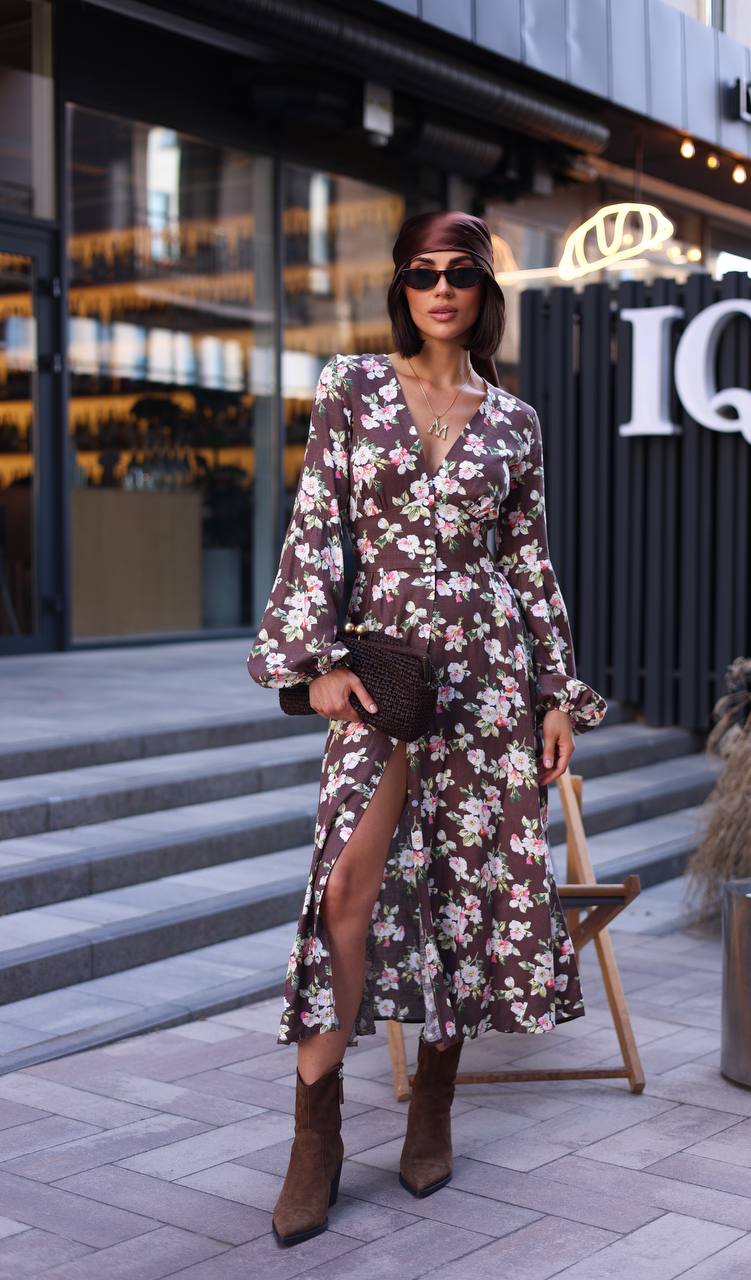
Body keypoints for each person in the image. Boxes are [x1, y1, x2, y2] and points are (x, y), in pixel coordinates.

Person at [247, 210, 608, 1246]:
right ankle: (316, 1130)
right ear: (399, 286)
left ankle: (433, 1099)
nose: (440, 288)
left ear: (485, 291)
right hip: (384, 676)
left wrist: (553, 691)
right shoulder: (352, 389)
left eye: (459, 273)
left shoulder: (515, 421)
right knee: (346, 884)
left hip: (491, 679)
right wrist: (312, 662)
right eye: (421, 272)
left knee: (467, 884)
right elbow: (318, 525)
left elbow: (529, 563)